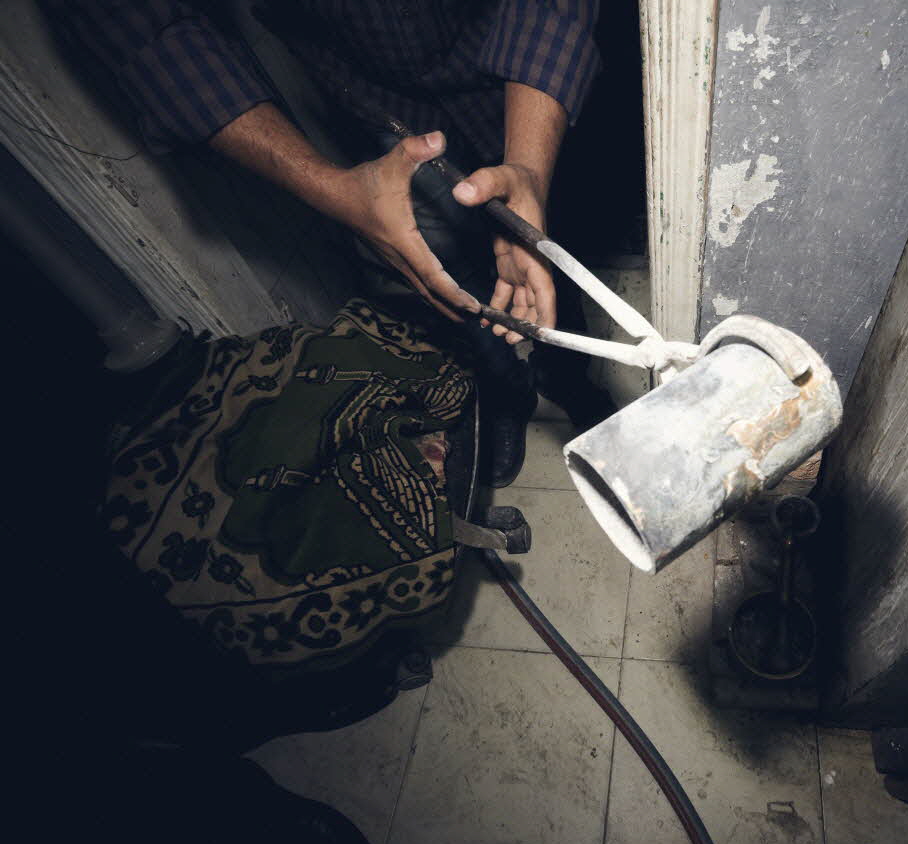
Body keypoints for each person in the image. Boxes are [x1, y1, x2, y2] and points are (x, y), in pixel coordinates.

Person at [52, 0, 615, 486]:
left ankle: (572, 378)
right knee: (440, 267)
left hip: (512, 62)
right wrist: (332, 189)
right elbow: (144, 26)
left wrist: (529, 165)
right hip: (376, 102)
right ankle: (503, 392)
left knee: (544, 244)